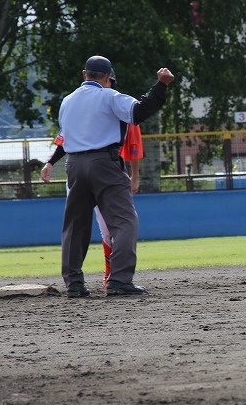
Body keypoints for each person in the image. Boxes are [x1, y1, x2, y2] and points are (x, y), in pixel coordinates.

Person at [58, 55, 173, 297]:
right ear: (108, 77)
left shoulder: (67, 101)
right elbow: (139, 112)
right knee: (124, 221)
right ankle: (119, 280)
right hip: (104, 163)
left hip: (74, 164)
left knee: (75, 225)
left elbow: (64, 136)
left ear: (84, 74)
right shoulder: (110, 96)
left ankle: (74, 284)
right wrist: (161, 86)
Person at [41, 118, 144, 289]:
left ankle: (105, 275)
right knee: (86, 225)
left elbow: (133, 145)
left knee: (104, 229)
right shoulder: (82, 108)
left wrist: (135, 176)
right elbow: (65, 138)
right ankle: (100, 280)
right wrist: (50, 162)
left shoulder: (119, 108)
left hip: (94, 169)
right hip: (94, 170)